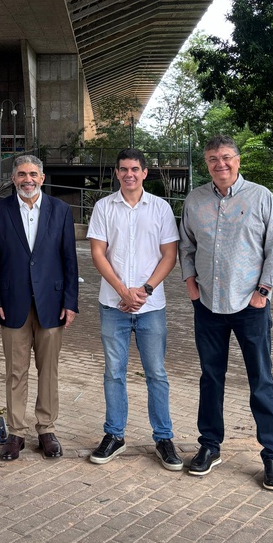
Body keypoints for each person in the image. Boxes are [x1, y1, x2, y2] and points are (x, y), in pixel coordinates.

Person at [179, 135, 273, 491]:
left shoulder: (260, 197)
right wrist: (191, 285)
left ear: (238, 161)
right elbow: (186, 245)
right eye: (213, 159)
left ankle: (272, 455)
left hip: (250, 306)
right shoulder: (195, 199)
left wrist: (263, 292)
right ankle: (210, 446)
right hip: (208, 305)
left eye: (226, 158)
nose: (220, 164)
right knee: (211, 377)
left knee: (261, 380)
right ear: (207, 163)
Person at [87, 148, 182, 470]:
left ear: (144, 173)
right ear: (117, 173)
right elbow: (98, 253)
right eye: (124, 169)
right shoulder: (103, 207)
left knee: (156, 373)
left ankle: (164, 437)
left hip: (151, 306)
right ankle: (114, 435)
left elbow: (169, 254)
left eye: (135, 169)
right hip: (112, 305)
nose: (129, 174)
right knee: (114, 373)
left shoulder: (160, 208)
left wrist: (145, 290)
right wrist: (121, 290)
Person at [0, 155, 79, 461]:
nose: (28, 178)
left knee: (48, 370)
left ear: (42, 177)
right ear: (13, 179)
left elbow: (69, 259)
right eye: (22, 174)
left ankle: (46, 429)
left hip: (51, 303)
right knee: (15, 371)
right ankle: (16, 433)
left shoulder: (61, 210)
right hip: (13, 303)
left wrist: (70, 302)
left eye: (33, 174)